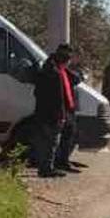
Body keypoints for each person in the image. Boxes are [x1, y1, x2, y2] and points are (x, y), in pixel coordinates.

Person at [33, 44, 77, 178]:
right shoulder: (52, 71)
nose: (69, 60)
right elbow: (55, 97)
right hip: (51, 113)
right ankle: (46, 169)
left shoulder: (59, 69)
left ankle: (55, 164)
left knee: (56, 139)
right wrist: (60, 115)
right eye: (68, 57)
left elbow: (76, 80)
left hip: (58, 111)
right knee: (50, 141)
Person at [53, 60, 85, 173]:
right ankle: (60, 161)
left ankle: (64, 159)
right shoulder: (56, 72)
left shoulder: (65, 72)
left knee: (71, 134)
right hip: (62, 109)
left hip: (69, 108)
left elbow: (77, 79)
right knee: (61, 137)